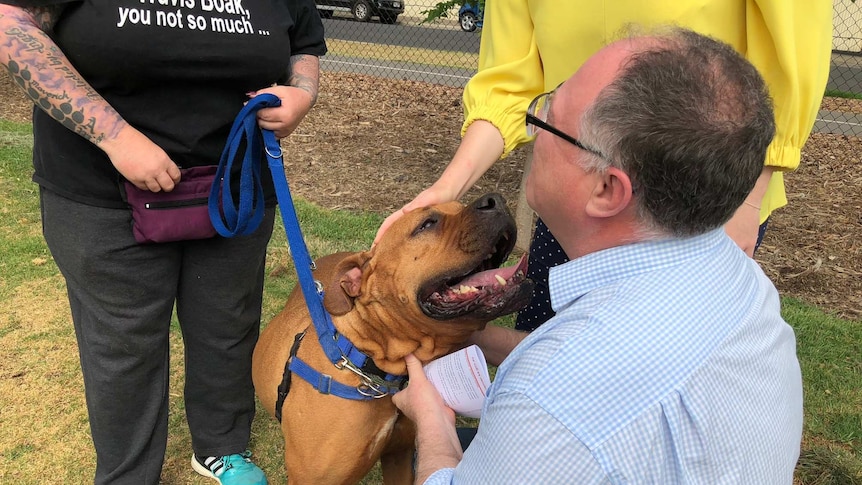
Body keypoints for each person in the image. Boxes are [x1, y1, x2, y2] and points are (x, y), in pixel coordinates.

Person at [393, 28, 804, 484]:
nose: (531, 126)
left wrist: (434, 428)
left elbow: (568, 394)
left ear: (607, 189)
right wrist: (473, 339)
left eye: (547, 116)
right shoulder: (743, 281)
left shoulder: (549, 394)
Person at [0, 1, 325, 484]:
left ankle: (221, 446)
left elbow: (303, 43)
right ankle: (128, 474)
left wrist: (301, 95)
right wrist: (115, 137)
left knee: (227, 323)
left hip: (233, 187)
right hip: (102, 190)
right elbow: (10, 22)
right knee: (124, 344)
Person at [375, 1, 832, 333]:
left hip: (695, 202)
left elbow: (794, 51)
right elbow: (508, 83)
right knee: (551, 342)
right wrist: (447, 188)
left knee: (668, 361)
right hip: (573, 198)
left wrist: (747, 201)